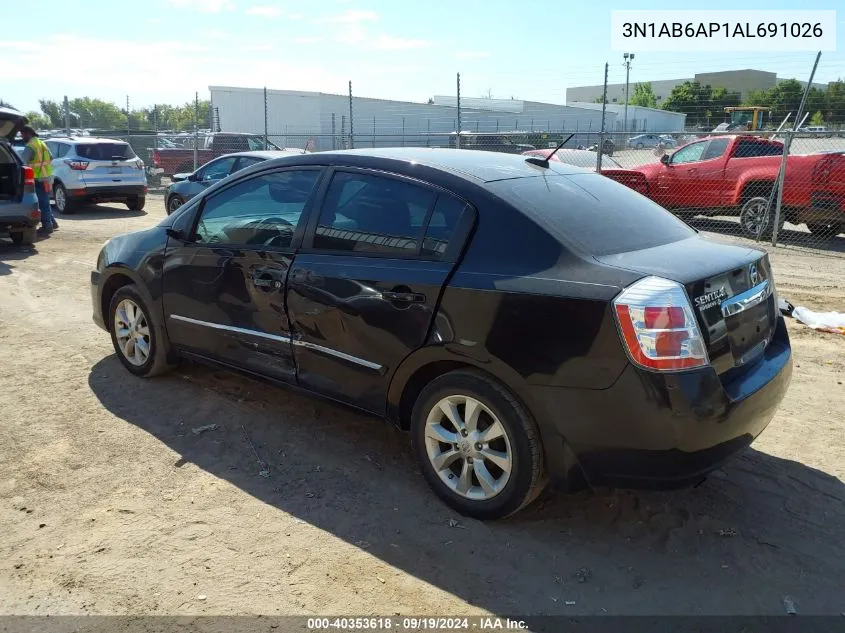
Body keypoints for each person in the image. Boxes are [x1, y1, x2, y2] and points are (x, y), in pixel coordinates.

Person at [19, 125, 58, 235]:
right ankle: (52, 223)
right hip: (47, 176)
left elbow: (22, 161)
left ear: (28, 133)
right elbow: (50, 157)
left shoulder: (31, 145)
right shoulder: (41, 142)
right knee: (45, 201)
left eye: (22, 134)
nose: (22, 137)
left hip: (37, 177)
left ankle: (47, 226)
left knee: (42, 202)